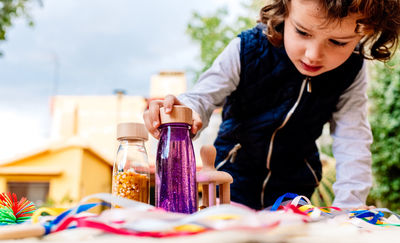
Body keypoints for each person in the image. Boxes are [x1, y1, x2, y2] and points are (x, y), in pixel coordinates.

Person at [144, 0, 400, 210]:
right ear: (285, 9)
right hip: (231, 186)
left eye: (338, 42)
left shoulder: (352, 70)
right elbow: (201, 97)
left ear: (366, 32)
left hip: (295, 196)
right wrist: (184, 110)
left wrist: (350, 207)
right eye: (302, 32)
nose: (313, 54)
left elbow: (352, 138)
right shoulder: (246, 49)